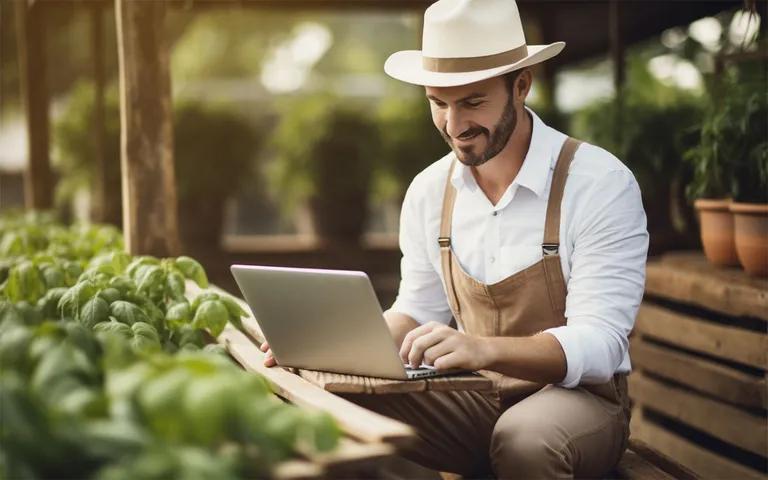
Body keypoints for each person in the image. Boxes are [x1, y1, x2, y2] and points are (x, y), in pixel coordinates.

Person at [262, 0, 649, 477]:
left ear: (521, 85)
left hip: (578, 401)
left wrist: (482, 348)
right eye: (438, 103)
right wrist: (319, 346)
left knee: (524, 440)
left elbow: (602, 345)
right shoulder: (429, 191)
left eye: (472, 101)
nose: (454, 125)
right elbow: (416, 311)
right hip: (476, 397)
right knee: (321, 397)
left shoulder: (597, 183)